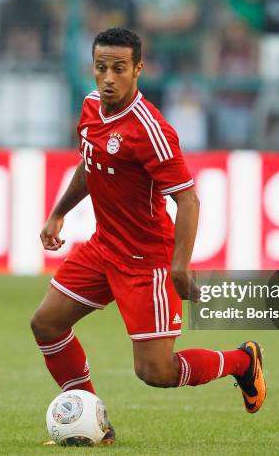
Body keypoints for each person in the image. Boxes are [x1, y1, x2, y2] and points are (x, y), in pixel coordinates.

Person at [30, 28, 267, 445]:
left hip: (147, 261)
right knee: (46, 324)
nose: (108, 78)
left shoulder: (151, 130)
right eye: (101, 68)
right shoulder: (89, 108)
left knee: (155, 372)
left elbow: (188, 201)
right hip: (103, 249)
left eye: (119, 69)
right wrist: (58, 214)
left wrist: (179, 265)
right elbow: (89, 165)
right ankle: (91, 420)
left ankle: (241, 361)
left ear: (138, 69)